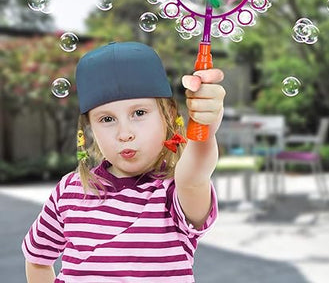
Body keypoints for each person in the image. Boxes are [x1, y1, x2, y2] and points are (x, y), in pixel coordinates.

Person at [22, 41, 225, 283]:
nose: (124, 133)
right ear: (89, 128)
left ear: (168, 115)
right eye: (107, 119)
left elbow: (194, 176)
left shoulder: (173, 192)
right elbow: (37, 259)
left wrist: (205, 130)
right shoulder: (69, 190)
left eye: (139, 113)